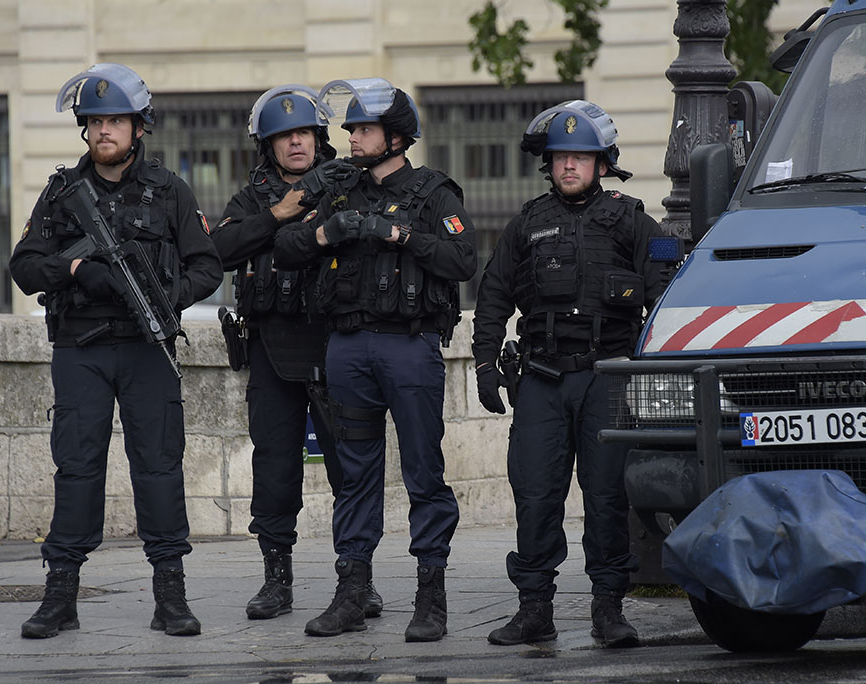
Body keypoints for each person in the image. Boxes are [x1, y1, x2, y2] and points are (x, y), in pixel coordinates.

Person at [9, 63, 222, 638]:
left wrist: (169, 294)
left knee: (158, 467)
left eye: (116, 121)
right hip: (81, 349)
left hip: (147, 348)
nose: (104, 131)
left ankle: (170, 595)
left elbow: (208, 265)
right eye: (95, 121)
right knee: (77, 468)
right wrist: (76, 268)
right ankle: (60, 596)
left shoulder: (168, 191)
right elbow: (24, 266)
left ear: (138, 128)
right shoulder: (61, 193)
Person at [274, 77, 476, 642]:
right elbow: (286, 249)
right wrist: (324, 235)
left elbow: (463, 258)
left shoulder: (434, 192)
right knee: (356, 474)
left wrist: (401, 235)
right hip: (348, 349)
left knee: (422, 472)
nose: (352, 137)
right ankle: (352, 591)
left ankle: (430, 596)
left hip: (409, 347)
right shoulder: (340, 191)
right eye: (353, 128)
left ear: (395, 136)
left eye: (362, 129)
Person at [471, 100, 665, 648]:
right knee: (535, 495)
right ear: (549, 164)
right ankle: (534, 610)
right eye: (560, 158)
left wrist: (655, 369)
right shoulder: (526, 224)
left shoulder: (632, 220)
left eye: (581, 157)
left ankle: (609, 611)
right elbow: (491, 299)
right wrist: (486, 364)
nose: (570, 167)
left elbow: (668, 292)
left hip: (608, 380)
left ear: (602, 163)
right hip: (541, 379)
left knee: (606, 498)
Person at [211, 85, 383, 621]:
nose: (296, 143)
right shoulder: (250, 199)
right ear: (269, 145)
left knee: (350, 468)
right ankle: (276, 580)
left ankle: (358, 581)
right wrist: (280, 213)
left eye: (304, 132)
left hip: (339, 346)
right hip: (271, 349)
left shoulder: (349, 185)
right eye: (284, 136)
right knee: (275, 468)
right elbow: (218, 250)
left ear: (318, 137)